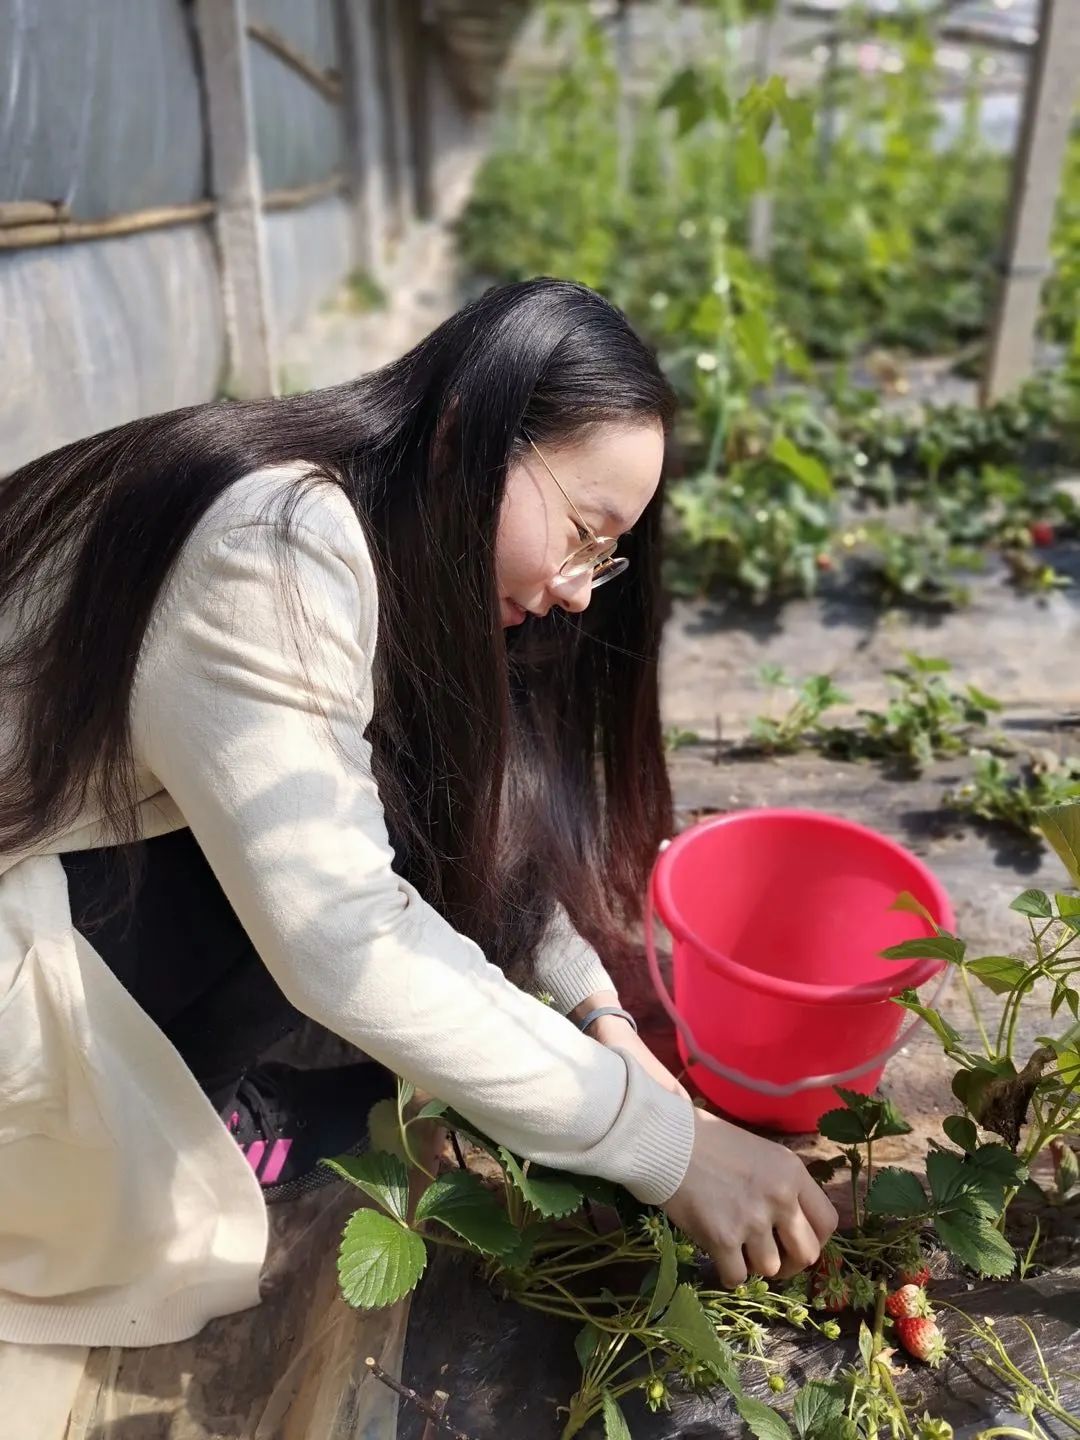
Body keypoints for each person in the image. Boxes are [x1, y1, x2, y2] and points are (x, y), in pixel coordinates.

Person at [0, 278, 836, 1348]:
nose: (583, 588)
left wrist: (602, 1021)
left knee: (396, 810)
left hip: (77, 870)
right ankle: (152, 1129)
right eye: (583, 531)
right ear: (461, 436)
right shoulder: (273, 546)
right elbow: (341, 935)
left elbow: (488, 822)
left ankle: (196, 1091)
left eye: (605, 556)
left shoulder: (383, 542)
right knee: (329, 862)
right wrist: (668, 1145)